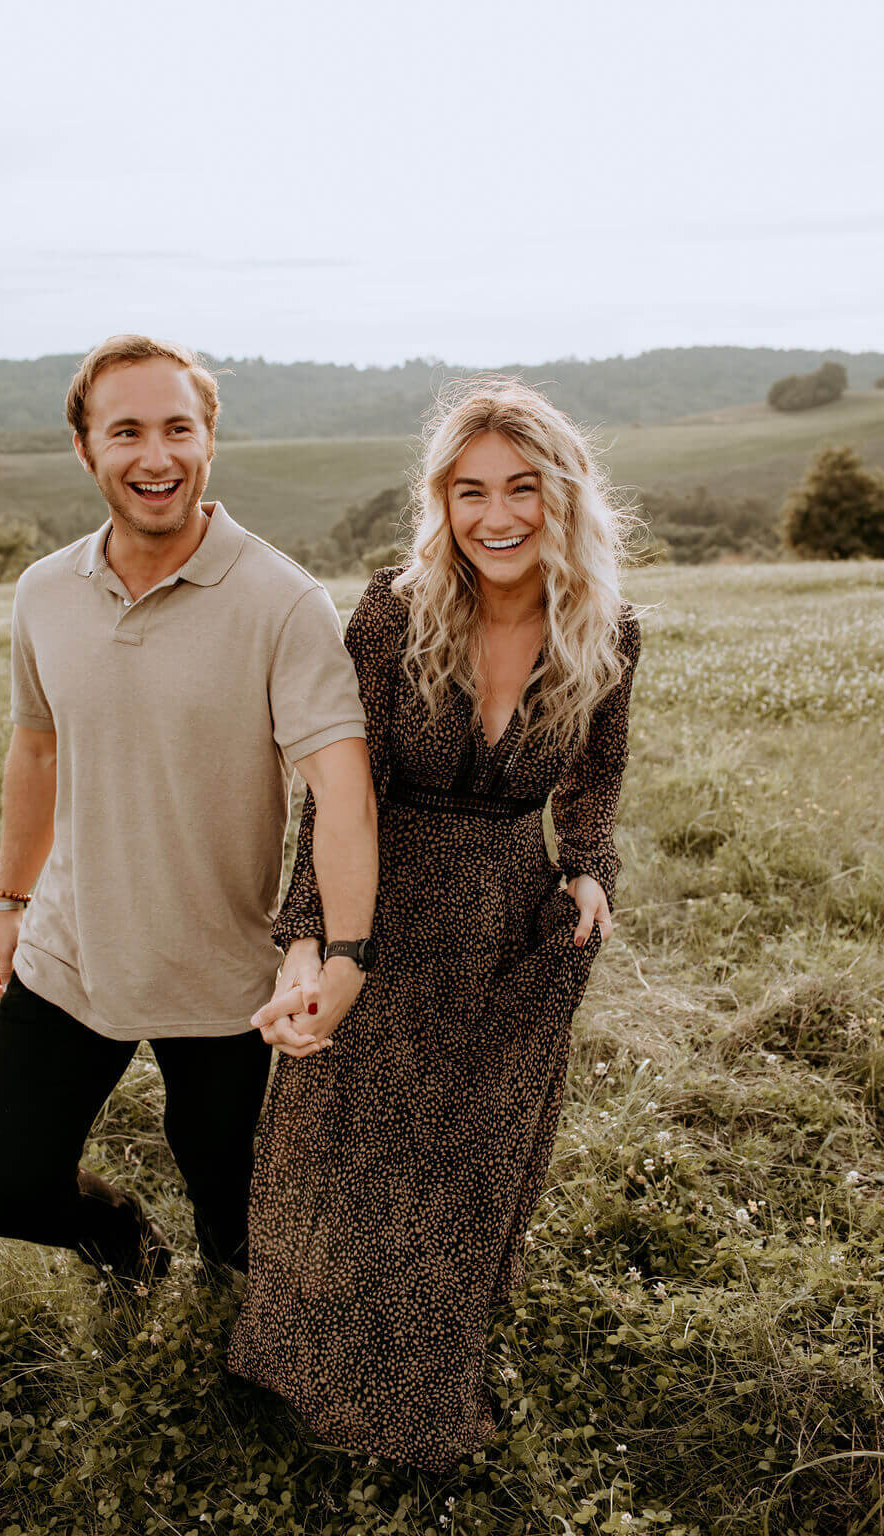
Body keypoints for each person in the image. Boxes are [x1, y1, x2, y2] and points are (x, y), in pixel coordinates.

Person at [229, 377, 642, 1469]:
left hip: (509, 923)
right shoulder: (390, 612)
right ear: (441, 501)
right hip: (385, 898)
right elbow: (337, 789)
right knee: (339, 1155)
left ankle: (421, 1384)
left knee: (463, 1163)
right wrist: (313, 940)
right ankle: (299, 1369)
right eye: (469, 492)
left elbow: (594, 781)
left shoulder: (609, 631)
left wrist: (591, 868)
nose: (496, 516)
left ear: (564, 496)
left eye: (522, 489)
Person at [0, 334, 378, 1291]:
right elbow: (36, 747)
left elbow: (345, 795)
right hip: (73, 953)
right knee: (13, 1190)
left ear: (209, 440)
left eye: (177, 429)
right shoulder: (43, 592)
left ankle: (229, 1321)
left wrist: (347, 952)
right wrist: (8, 899)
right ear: (85, 449)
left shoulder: (284, 603)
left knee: (230, 1209)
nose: (155, 457)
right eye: (126, 432)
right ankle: (128, 1253)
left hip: (223, 976)